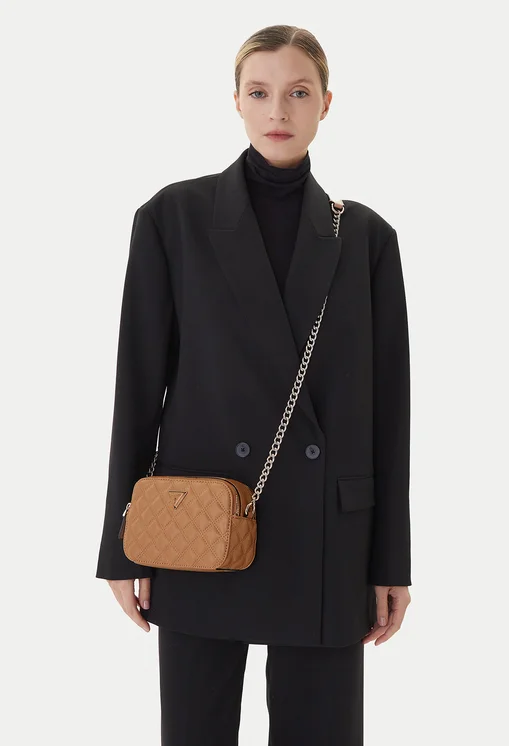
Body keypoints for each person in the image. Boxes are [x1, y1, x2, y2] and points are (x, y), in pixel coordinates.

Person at [95, 23, 412, 746]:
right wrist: (121, 543)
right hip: (198, 525)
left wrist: (390, 559)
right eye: (260, 92)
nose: (278, 111)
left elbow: (390, 412)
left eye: (298, 93)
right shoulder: (172, 219)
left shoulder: (366, 238)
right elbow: (136, 390)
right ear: (235, 101)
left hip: (326, 536)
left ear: (326, 103)